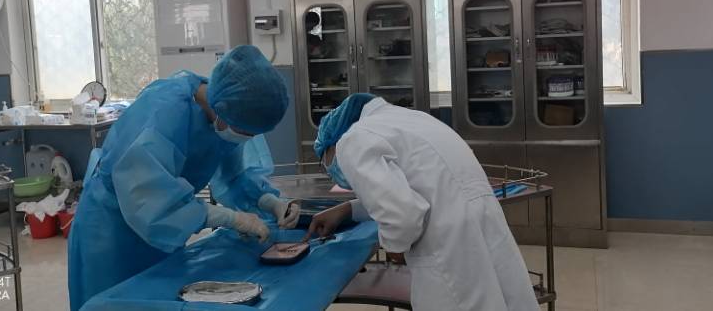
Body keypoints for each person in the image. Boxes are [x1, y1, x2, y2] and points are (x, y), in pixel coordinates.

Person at [68, 45, 300, 311]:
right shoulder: (163, 114)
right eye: (247, 133)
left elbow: (235, 176)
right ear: (224, 116)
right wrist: (231, 219)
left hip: (160, 232)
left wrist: (270, 202)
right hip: (111, 230)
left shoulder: (228, 113)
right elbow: (151, 201)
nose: (248, 139)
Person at [305, 94, 540, 311]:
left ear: (332, 143)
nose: (332, 172)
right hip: (483, 228)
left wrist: (394, 246)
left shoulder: (351, 141)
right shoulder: (415, 120)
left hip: (447, 248)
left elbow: (402, 217)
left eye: (326, 162)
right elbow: (417, 190)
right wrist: (348, 210)